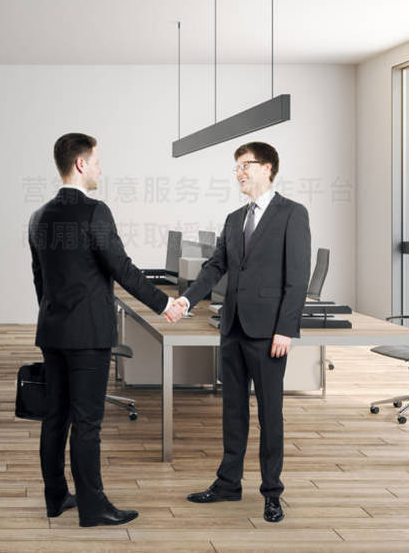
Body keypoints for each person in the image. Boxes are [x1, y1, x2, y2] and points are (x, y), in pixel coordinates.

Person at [29, 132, 186, 527]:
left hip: (53, 332)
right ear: (80, 164)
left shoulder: (38, 217)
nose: (101, 168)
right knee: (87, 423)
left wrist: (55, 316)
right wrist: (164, 304)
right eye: (96, 160)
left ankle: (55, 497)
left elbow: (39, 280)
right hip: (88, 336)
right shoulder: (94, 212)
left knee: (56, 418)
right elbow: (123, 268)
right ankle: (93, 507)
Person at [180, 141, 310, 523]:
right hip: (233, 328)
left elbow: (297, 277)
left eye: (246, 165)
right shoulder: (234, 219)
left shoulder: (292, 214)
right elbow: (214, 266)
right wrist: (187, 301)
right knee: (233, 410)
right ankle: (228, 483)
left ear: (267, 168)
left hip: (269, 333)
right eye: (236, 166)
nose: (239, 172)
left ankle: (272, 492)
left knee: (271, 414)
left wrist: (285, 329)